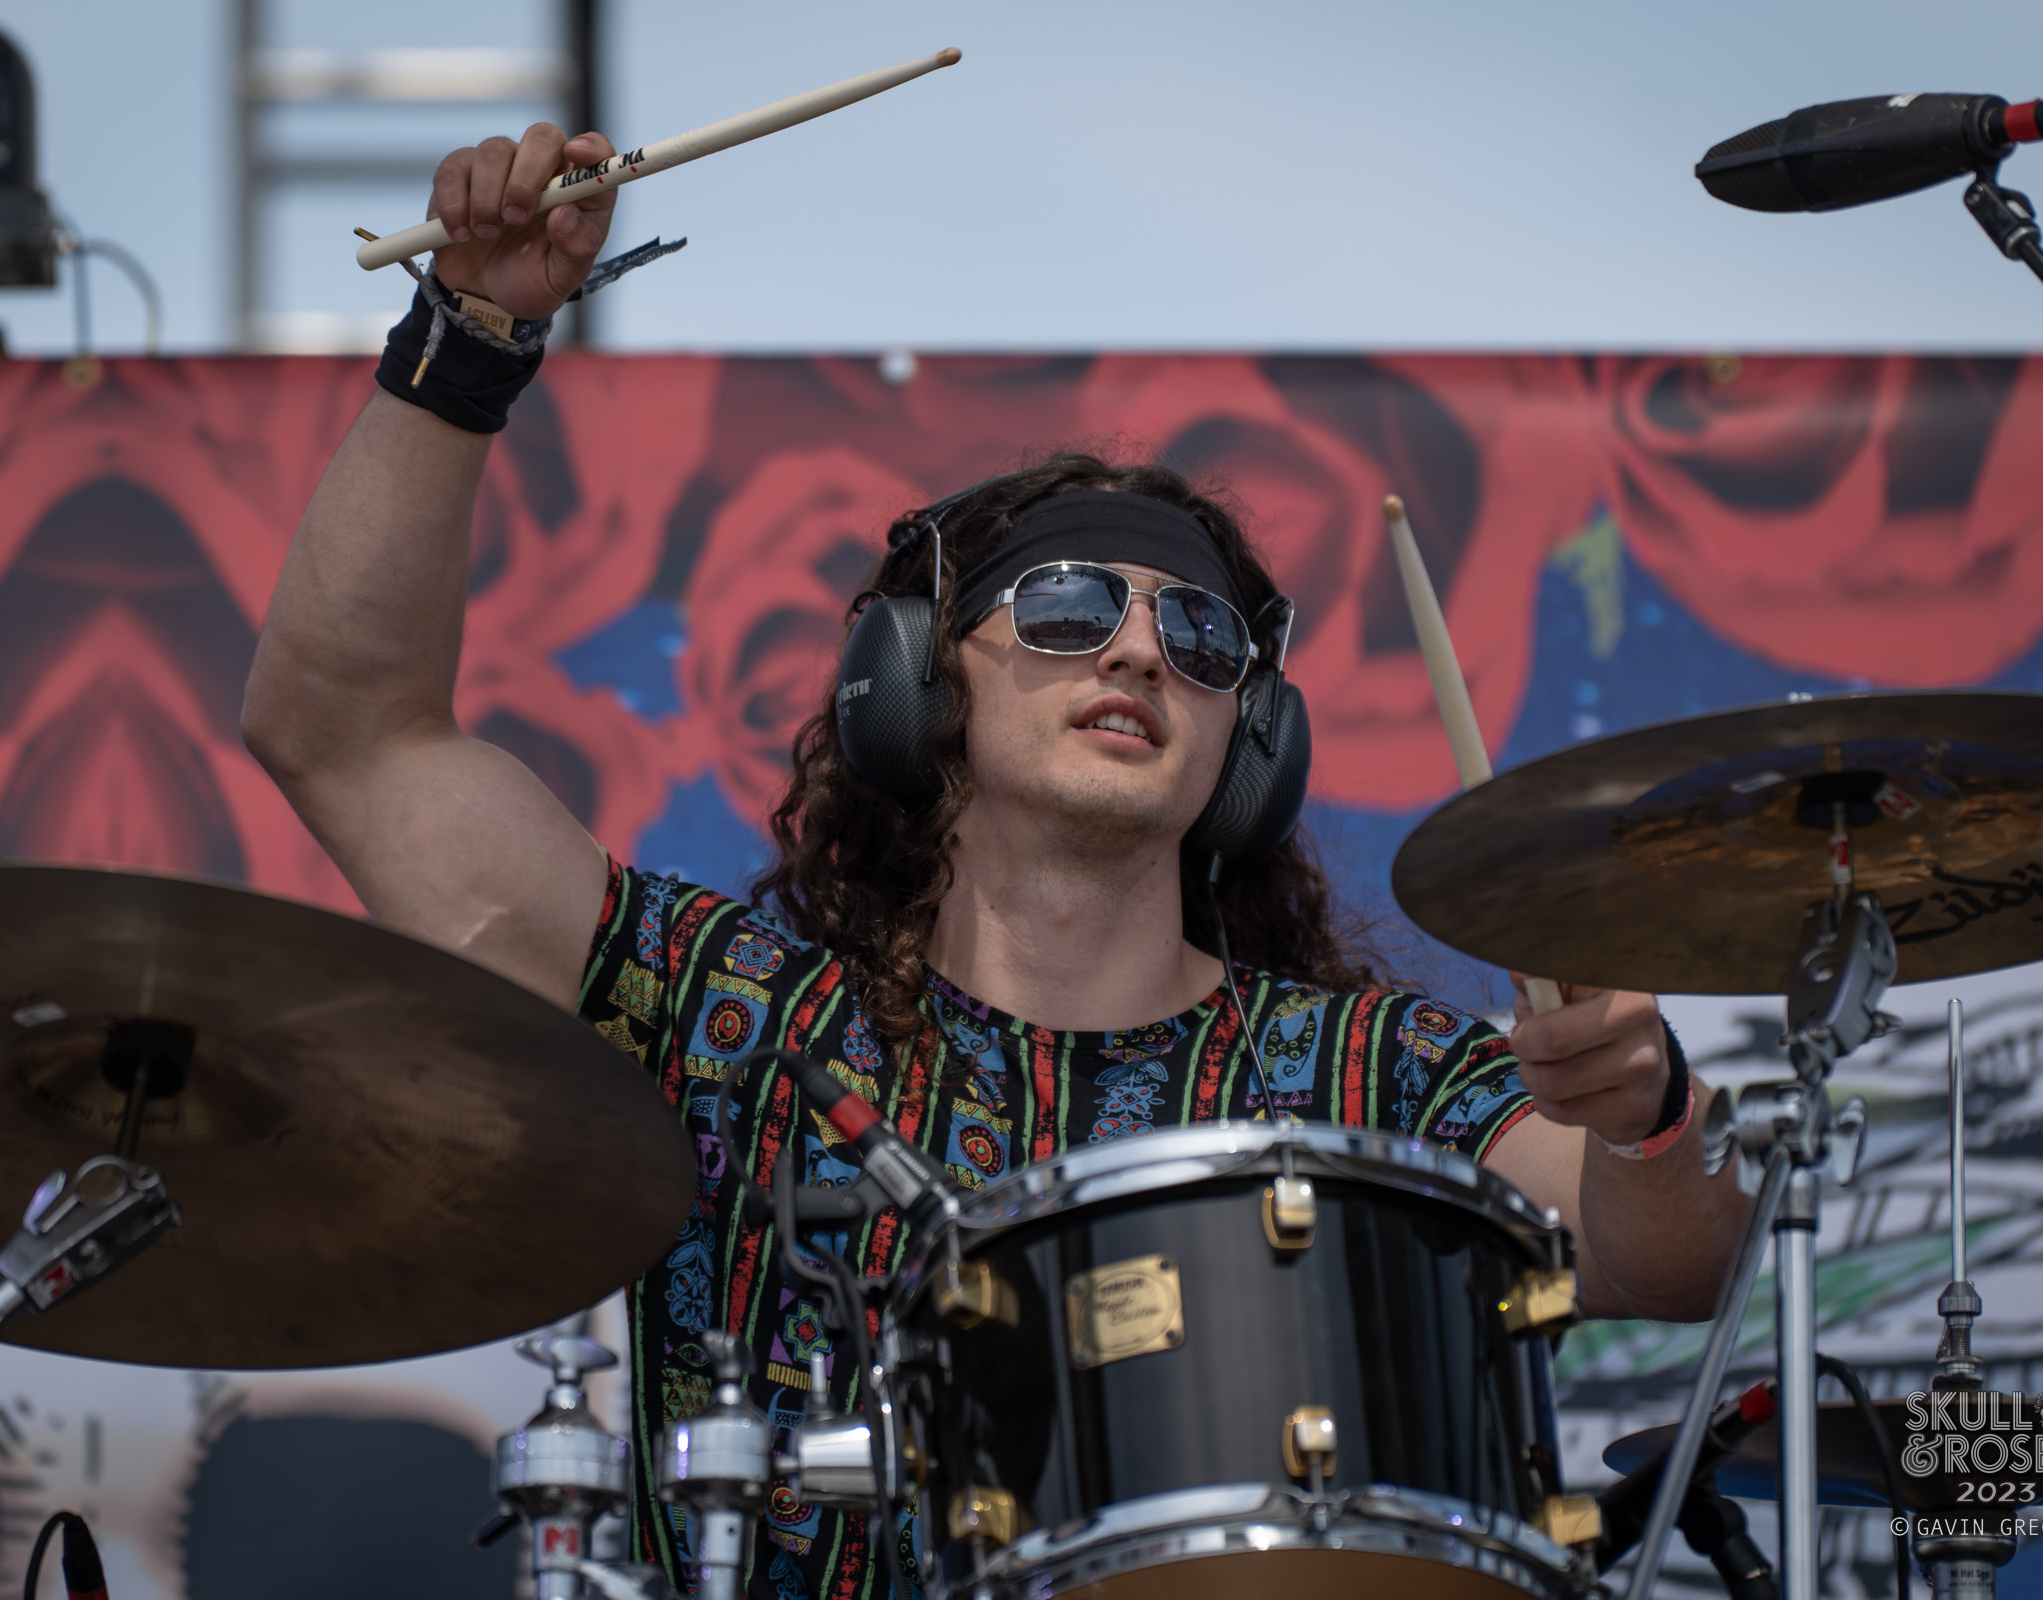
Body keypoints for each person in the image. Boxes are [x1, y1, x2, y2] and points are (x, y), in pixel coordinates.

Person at [241, 123, 1749, 1600]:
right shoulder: (725, 1019)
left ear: (1252, 742)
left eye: (1201, 638)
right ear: (916, 680)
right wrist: (469, 335)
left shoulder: (1370, 1077)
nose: (1142, 651)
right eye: (1071, 606)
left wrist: (1645, 1116)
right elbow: (344, 736)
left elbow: (1667, 1267)